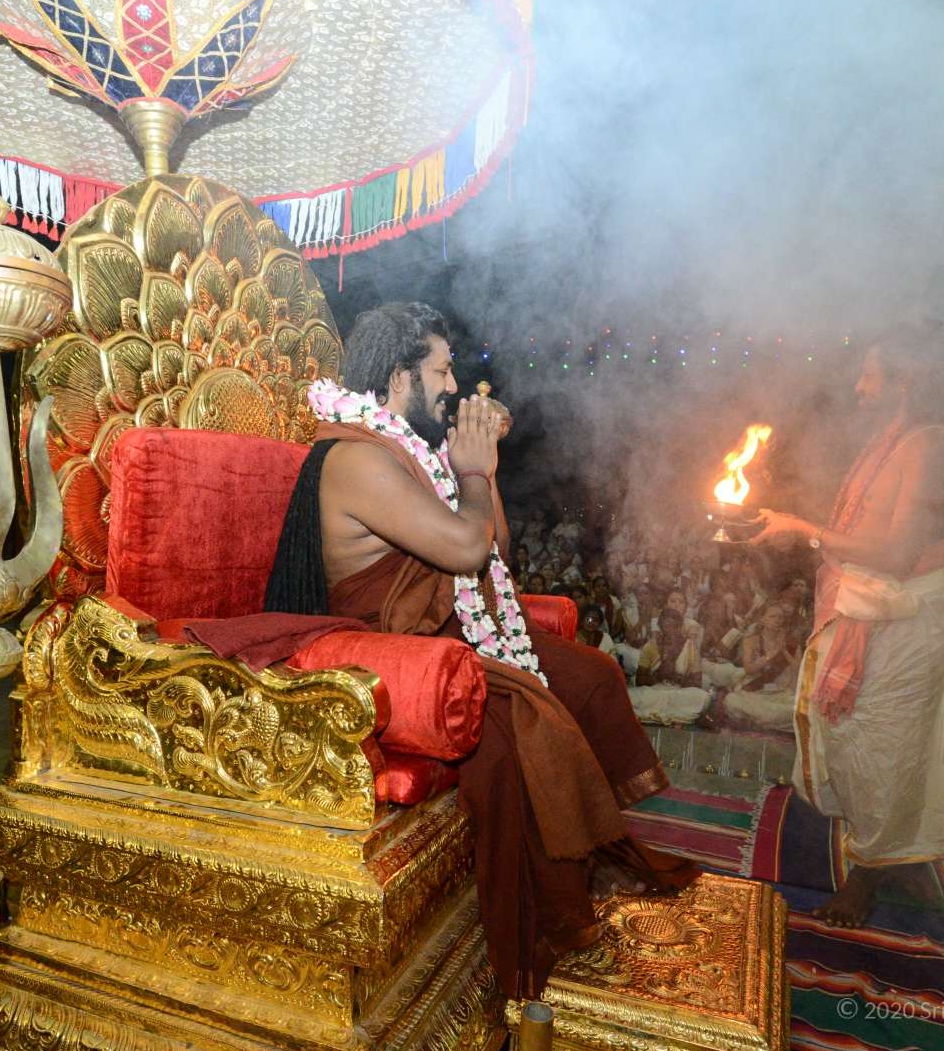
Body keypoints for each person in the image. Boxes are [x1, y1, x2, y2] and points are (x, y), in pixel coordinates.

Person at [266, 302, 696, 998]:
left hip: (448, 631)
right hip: (398, 653)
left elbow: (496, 550)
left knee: (590, 676)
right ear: (399, 377)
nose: (453, 385)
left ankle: (590, 853)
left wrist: (482, 470)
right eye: (441, 371)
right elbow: (468, 548)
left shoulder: (411, 451)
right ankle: (552, 914)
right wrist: (467, 471)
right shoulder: (356, 457)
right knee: (524, 723)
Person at [751, 342, 944, 926]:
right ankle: (893, 848)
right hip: (868, 601)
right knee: (859, 733)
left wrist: (803, 530)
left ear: (903, 381)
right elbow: (856, 523)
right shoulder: (888, 440)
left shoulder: (928, 444)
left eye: (868, 376)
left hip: (904, 612)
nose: (857, 387)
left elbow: (897, 551)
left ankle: (871, 873)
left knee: (887, 740)